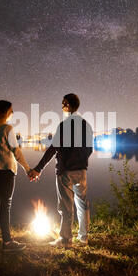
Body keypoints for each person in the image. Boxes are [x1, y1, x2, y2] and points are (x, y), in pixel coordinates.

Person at [28, 94, 93, 248]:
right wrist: (81, 161)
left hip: (66, 171)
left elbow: (53, 148)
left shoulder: (65, 125)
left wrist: (38, 169)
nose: (62, 107)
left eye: (63, 104)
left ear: (68, 105)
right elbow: (90, 148)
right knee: (82, 204)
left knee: (66, 206)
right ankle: (84, 238)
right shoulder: (86, 125)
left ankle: (65, 240)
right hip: (81, 170)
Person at [0, 100, 32, 251]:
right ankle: (7, 241)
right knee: (6, 204)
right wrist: (27, 168)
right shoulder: (7, 128)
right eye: (11, 110)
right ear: (4, 112)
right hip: (6, 170)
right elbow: (16, 151)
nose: (12, 113)